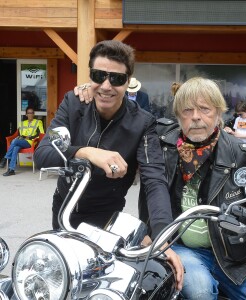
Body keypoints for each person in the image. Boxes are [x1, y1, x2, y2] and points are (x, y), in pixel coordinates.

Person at [34, 40, 183, 290]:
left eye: (116, 78)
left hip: (106, 218)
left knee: (104, 285)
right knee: (62, 283)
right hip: (65, 211)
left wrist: (162, 240)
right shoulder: (74, 103)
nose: (106, 85)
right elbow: (43, 154)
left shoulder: (143, 123)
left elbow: (154, 181)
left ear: (128, 81)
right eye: (98, 75)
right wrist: (88, 152)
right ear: (89, 76)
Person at [139, 77, 246, 300]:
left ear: (219, 113)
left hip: (233, 260)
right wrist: (90, 90)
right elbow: (126, 115)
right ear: (177, 115)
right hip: (180, 247)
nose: (196, 116)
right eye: (187, 110)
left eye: (204, 109)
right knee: (200, 290)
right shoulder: (162, 147)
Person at [1, 106, 44, 176]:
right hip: (21, 141)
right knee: (15, 147)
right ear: (26, 114)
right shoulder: (22, 123)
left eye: (32, 113)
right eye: (28, 113)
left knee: (14, 142)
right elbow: (19, 133)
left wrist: (30, 138)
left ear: (34, 114)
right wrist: (20, 137)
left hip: (30, 142)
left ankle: (5, 158)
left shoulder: (38, 122)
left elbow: (41, 134)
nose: (30, 114)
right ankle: (11, 169)